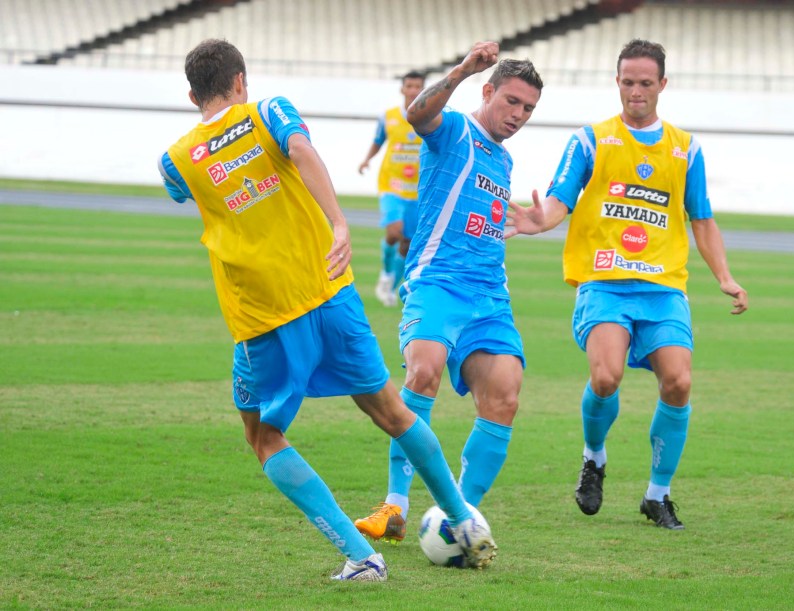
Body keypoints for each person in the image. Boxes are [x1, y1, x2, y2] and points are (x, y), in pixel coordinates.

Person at [156, 39, 497, 580]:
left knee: (263, 437)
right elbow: (301, 151)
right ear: (241, 81)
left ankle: (362, 557)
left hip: (263, 315)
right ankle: (464, 521)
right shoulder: (270, 111)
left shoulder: (174, 160)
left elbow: (186, 191)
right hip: (332, 290)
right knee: (392, 411)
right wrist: (339, 223)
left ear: (192, 95)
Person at [506, 39, 748, 530]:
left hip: (663, 288)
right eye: (628, 82)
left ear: (662, 84)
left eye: (645, 82)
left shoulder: (685, 148)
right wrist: (541, 220)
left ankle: (657, 494)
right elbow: (559, 197)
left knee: (679, 381)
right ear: (617, 82)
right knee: (605, 377)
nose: (636, 91)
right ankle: (593, 457)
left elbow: (701, 218)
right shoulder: (590, 140)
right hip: (604, 282)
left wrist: (724, 276)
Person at [354, 42, 543, 542]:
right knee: (423, 371)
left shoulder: (504, 161)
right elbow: (418, 114)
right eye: (512, 101)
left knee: (504, 398)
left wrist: (528, 224)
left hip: (490, 298)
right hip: (438, 282)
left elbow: (483, 222)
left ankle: (459, 518)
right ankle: (393, 506)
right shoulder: (455, 128)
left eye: (528, 108)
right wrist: (460, 70)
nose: (518, 115)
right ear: (488, 91)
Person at [358, 71, 426, 307]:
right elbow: (378, 141)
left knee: (408, 243)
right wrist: (366, 160)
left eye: (418, 86)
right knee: (394, 232)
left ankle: (389, 285)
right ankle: (387, 273)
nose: (413, 90)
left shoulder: (431, 117)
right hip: (392, 185)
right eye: (410, 86)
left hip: (417, 190)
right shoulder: (388, 117)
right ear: (402, 89)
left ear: (423, 89)